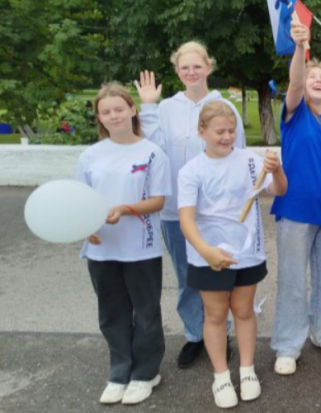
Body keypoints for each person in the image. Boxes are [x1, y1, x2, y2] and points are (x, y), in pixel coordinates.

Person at [137, 41, 246, 368]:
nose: (191, 72)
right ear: (178, 71)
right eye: (184, 67)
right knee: (186, 277)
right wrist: (148, 106)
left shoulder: (225, 105)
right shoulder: (167, 107)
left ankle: (221, 332)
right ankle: (195, 335)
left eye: (197, 66)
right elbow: (154, 150)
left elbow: (236, 153)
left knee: (219, 273)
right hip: (175, 209)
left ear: (208, 67)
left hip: (216, 210)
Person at [178, 100, 286, 408]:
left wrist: (276, 171)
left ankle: (247, 369)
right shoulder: (191, 171)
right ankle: (221, 375)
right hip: (208, 254)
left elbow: (279, 190)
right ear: (202, 132)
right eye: (219, 132)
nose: (227, 137)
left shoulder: (250, 160)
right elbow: (186, 218)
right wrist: (205, 250)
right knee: (215, 314)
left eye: (231, 131)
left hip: (246, 252)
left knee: (243, 310)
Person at [76, 83, 170, 405]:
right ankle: (119, 372)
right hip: (102, 248)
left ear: (133, 109)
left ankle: (145, 373)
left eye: (119, 109)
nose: (113, 115)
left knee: (145, 312)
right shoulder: (90, 155)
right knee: (111, 312)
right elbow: (79, 201)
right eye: (106, 112)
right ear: (99, 117)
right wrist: (85, 226)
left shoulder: (152, 153)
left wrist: (126, 210)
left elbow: (158, 200)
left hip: (141, 247)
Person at [270, 18, 321, 376]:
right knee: (292, 281)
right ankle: (288, 345)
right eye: (314, 76)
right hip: (296, 210)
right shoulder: (295, 114)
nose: (318, 80)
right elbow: (295, 81)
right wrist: (301, 48)